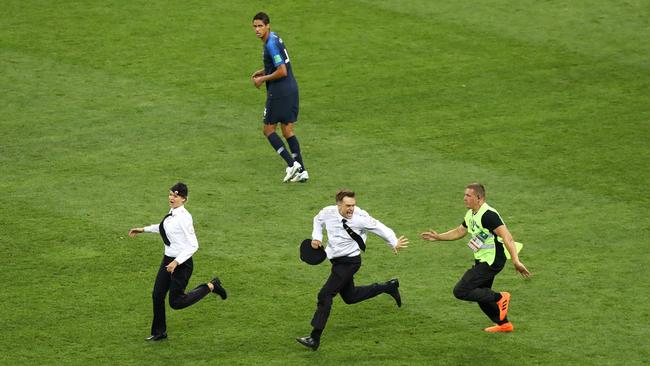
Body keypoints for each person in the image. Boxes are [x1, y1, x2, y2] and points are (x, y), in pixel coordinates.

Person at [296, 189, 409, 350]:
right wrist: (317, 237)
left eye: (353, 205)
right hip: (336, 261)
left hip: (350, 262)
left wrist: (393, 241)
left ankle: (315, 338)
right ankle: (389, 287)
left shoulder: (360, 218)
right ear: (339, 205)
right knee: (350, 296)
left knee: (325, 294)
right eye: (348, 205)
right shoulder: (328, 212)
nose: (351, 209)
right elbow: (317, 220)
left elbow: (380, 227)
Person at [420, 183, 531, 333]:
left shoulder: (488, 215)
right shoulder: (471, 214)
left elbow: (507, 237)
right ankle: (504, 324)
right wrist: (439, 237)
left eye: (468, 195)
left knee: (461, 291)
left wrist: (516, 260)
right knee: (481, 294)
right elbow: (460, 231)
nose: (464, 198)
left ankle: (500, 297)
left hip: (492, 261)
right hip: (482, 259)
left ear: (479, 198)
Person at [128, 182, 228, 341]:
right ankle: (159, 332)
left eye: (175, 195)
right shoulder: (172, 213)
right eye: (170, 194)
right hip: (168, 260)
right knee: (157, 295)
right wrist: (143, 229)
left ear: (184, 199)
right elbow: (165, 227)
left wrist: (176, 262)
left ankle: (211, 286)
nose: (171, 198)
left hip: (182, 264)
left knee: (176, 302)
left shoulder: (184, 218)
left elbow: (194, 245)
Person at [251, 11, 308, 183]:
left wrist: (263, 78)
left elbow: (282, 70)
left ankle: (292, 165)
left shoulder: (270, 45)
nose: (257, 29)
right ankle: (302, 171)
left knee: (268, 130)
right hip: (292, 88)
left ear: (268, 26)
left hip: (279, 92)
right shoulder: (274, 38)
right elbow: (280, 63)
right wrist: (263, 70)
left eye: (260, 26)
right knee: (287, 130)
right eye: (254, 26)